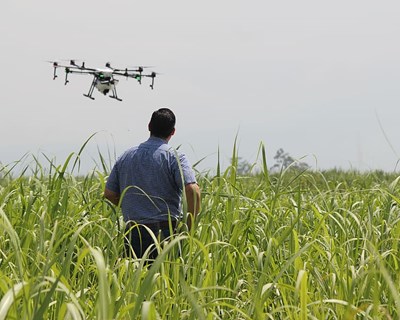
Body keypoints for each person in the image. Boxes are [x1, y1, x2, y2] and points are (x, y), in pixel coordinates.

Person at [104, 108, 201, 260]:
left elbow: (109, 194)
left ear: (149, 126)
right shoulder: (175, 157)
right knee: (165, 280)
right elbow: (193, 190)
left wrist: (133, 205)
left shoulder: (126, 156)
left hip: (133, 231)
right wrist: (188, 226)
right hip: (165, 233)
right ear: (173, 132)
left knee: (133, 281)